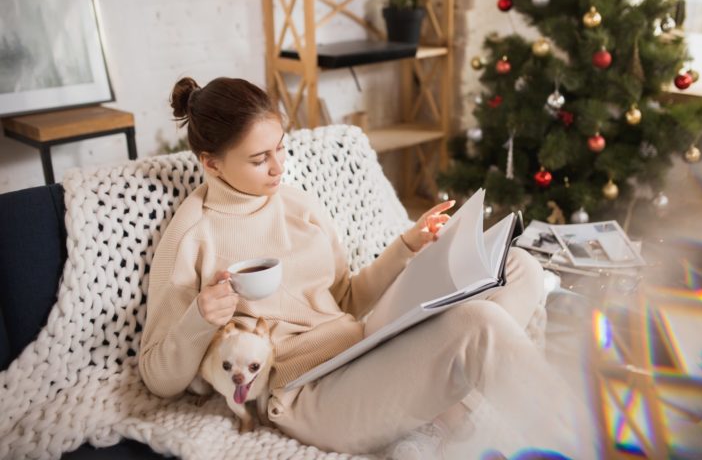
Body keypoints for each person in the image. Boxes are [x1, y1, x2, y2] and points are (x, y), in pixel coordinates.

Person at [139, 76, 586, 458]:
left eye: (280, 148)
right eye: (259, 160)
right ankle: (583, 442)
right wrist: (200, 316)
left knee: (518, 264)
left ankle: (452, 400)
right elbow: (158, 378)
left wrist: (406, 246)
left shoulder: (296, 203)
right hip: (309, 395)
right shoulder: (193, 234)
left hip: (360, 344)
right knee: (478, 323)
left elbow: (346, 299)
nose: (278, 168)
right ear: (211, 164)